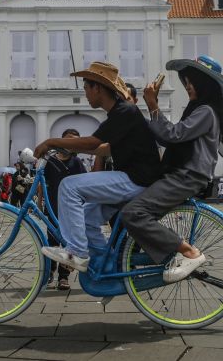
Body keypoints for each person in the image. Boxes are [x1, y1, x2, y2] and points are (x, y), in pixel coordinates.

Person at [120, 55, 223, 282]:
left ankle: (188, 252)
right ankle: (129, 261)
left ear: (204, 84)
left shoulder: (205, 111)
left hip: (187, 176)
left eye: (192, 81)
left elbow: (173, 135)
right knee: (132, 209)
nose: (187, 86)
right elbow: (166, 136)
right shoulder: (198, 109)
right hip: (182, 174)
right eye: (186, 81)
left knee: (133, 213)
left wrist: (153, 105)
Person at [34, 61, 162, 273]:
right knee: (86, 217)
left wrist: (52, 142)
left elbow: (93, 142)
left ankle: (77, 251)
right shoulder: (120, 112)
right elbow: (105, 148)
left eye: (86, 88)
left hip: (136, 180)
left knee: (68, 186)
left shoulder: (125, 111)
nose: (85, 94)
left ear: (98, 88)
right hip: (135, 179)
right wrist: (71, 147)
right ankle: (107, 265)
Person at [41, 128, 87, 290]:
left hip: (70, 210)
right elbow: (43, 183)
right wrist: (40, 202)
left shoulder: (77, 162)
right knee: (52, 242)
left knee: (68, 243)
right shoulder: (51, 161)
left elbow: (84, 184)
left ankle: (63, 276)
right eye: (68, 139)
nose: (70, 143)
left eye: (75, 140)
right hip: (53, 206)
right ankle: (49, 273)